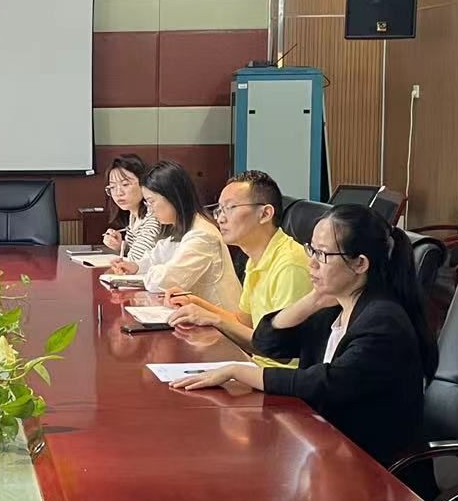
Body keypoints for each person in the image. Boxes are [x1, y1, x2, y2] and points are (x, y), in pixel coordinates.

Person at [170, 205, 437, 467]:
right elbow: (267, 343)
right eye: (311, 249)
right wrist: (313, 300)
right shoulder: (335, 306)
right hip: (327, 448)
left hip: (372, 468)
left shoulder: (383, 320)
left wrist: (238, 371)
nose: (312, 262)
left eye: (322, 254)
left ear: (360, 263)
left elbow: (326, 383)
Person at [167, 170, 311, 365]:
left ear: (265, 214)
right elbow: (243, 323)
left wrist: (214, 319)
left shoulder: (290, 265)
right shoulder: (257, 257)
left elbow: (280, 351)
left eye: (230, 208)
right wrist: (194, 302)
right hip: (255, 366)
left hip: (280, 377)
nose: (220, 218)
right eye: (219, 210)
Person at [109, 160, 240, 311]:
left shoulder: (202, 235)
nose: (150, 209)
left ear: (172, 197)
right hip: (198, 314)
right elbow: (156, 256)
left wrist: (150, 272)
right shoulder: (182, 228)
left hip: (221, 319)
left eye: (151, 202)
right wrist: (135, 267)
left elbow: (167, 281)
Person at [99, 153, 161, 260]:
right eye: (112, 187)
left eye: (125, 184)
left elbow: (137, 260)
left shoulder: (153, 215)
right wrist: (120, 246)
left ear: (144, 183)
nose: (118, 193)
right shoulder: (133, 215)